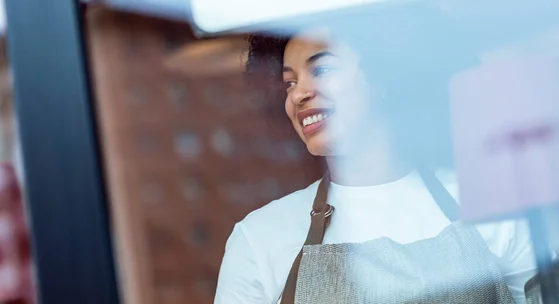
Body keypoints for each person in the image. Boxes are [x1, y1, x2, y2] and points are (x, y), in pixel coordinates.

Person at [214, 30, 537, 303]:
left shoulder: (488, 205)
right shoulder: (260, 238)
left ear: (383, 76)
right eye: (289, 82)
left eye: (323, 70)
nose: (298, 93)